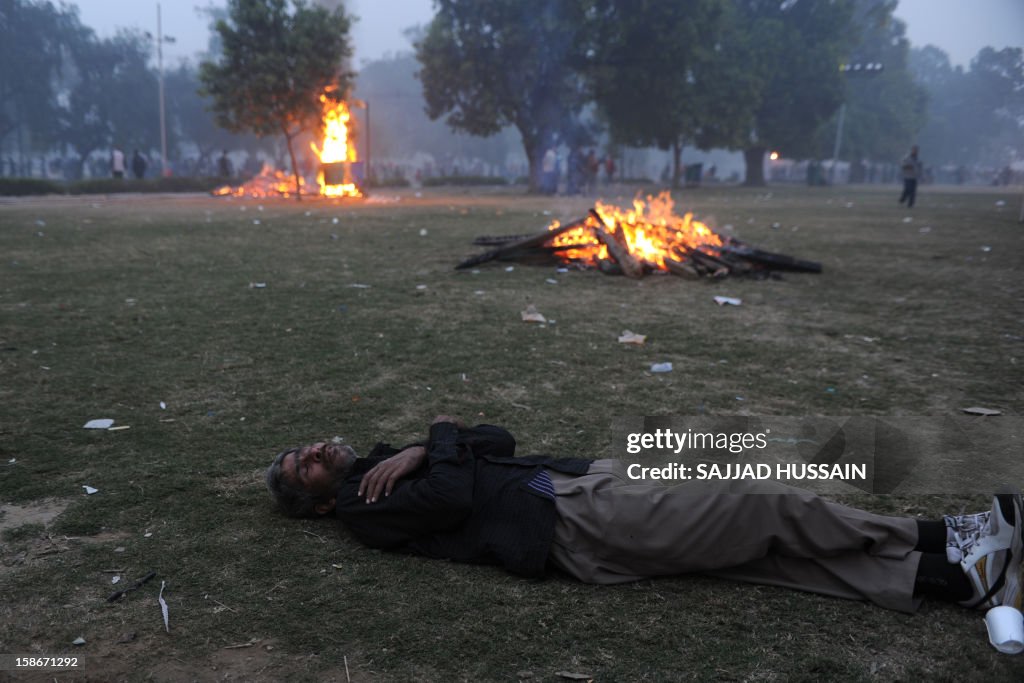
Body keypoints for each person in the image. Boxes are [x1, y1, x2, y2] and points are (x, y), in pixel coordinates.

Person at [266, 417, 1022, 614]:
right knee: (759, 500)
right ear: (319, 501)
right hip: (574, 522)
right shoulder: (367, 509)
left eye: (304, 447)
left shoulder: (382, 467)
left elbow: (498, 441)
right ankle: (943, 537)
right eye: (306, 465)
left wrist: (429, 444)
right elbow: (460, 494)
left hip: (580, 484)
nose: (314, 450)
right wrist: (434, 434)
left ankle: (951, 581)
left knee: (758, 545)